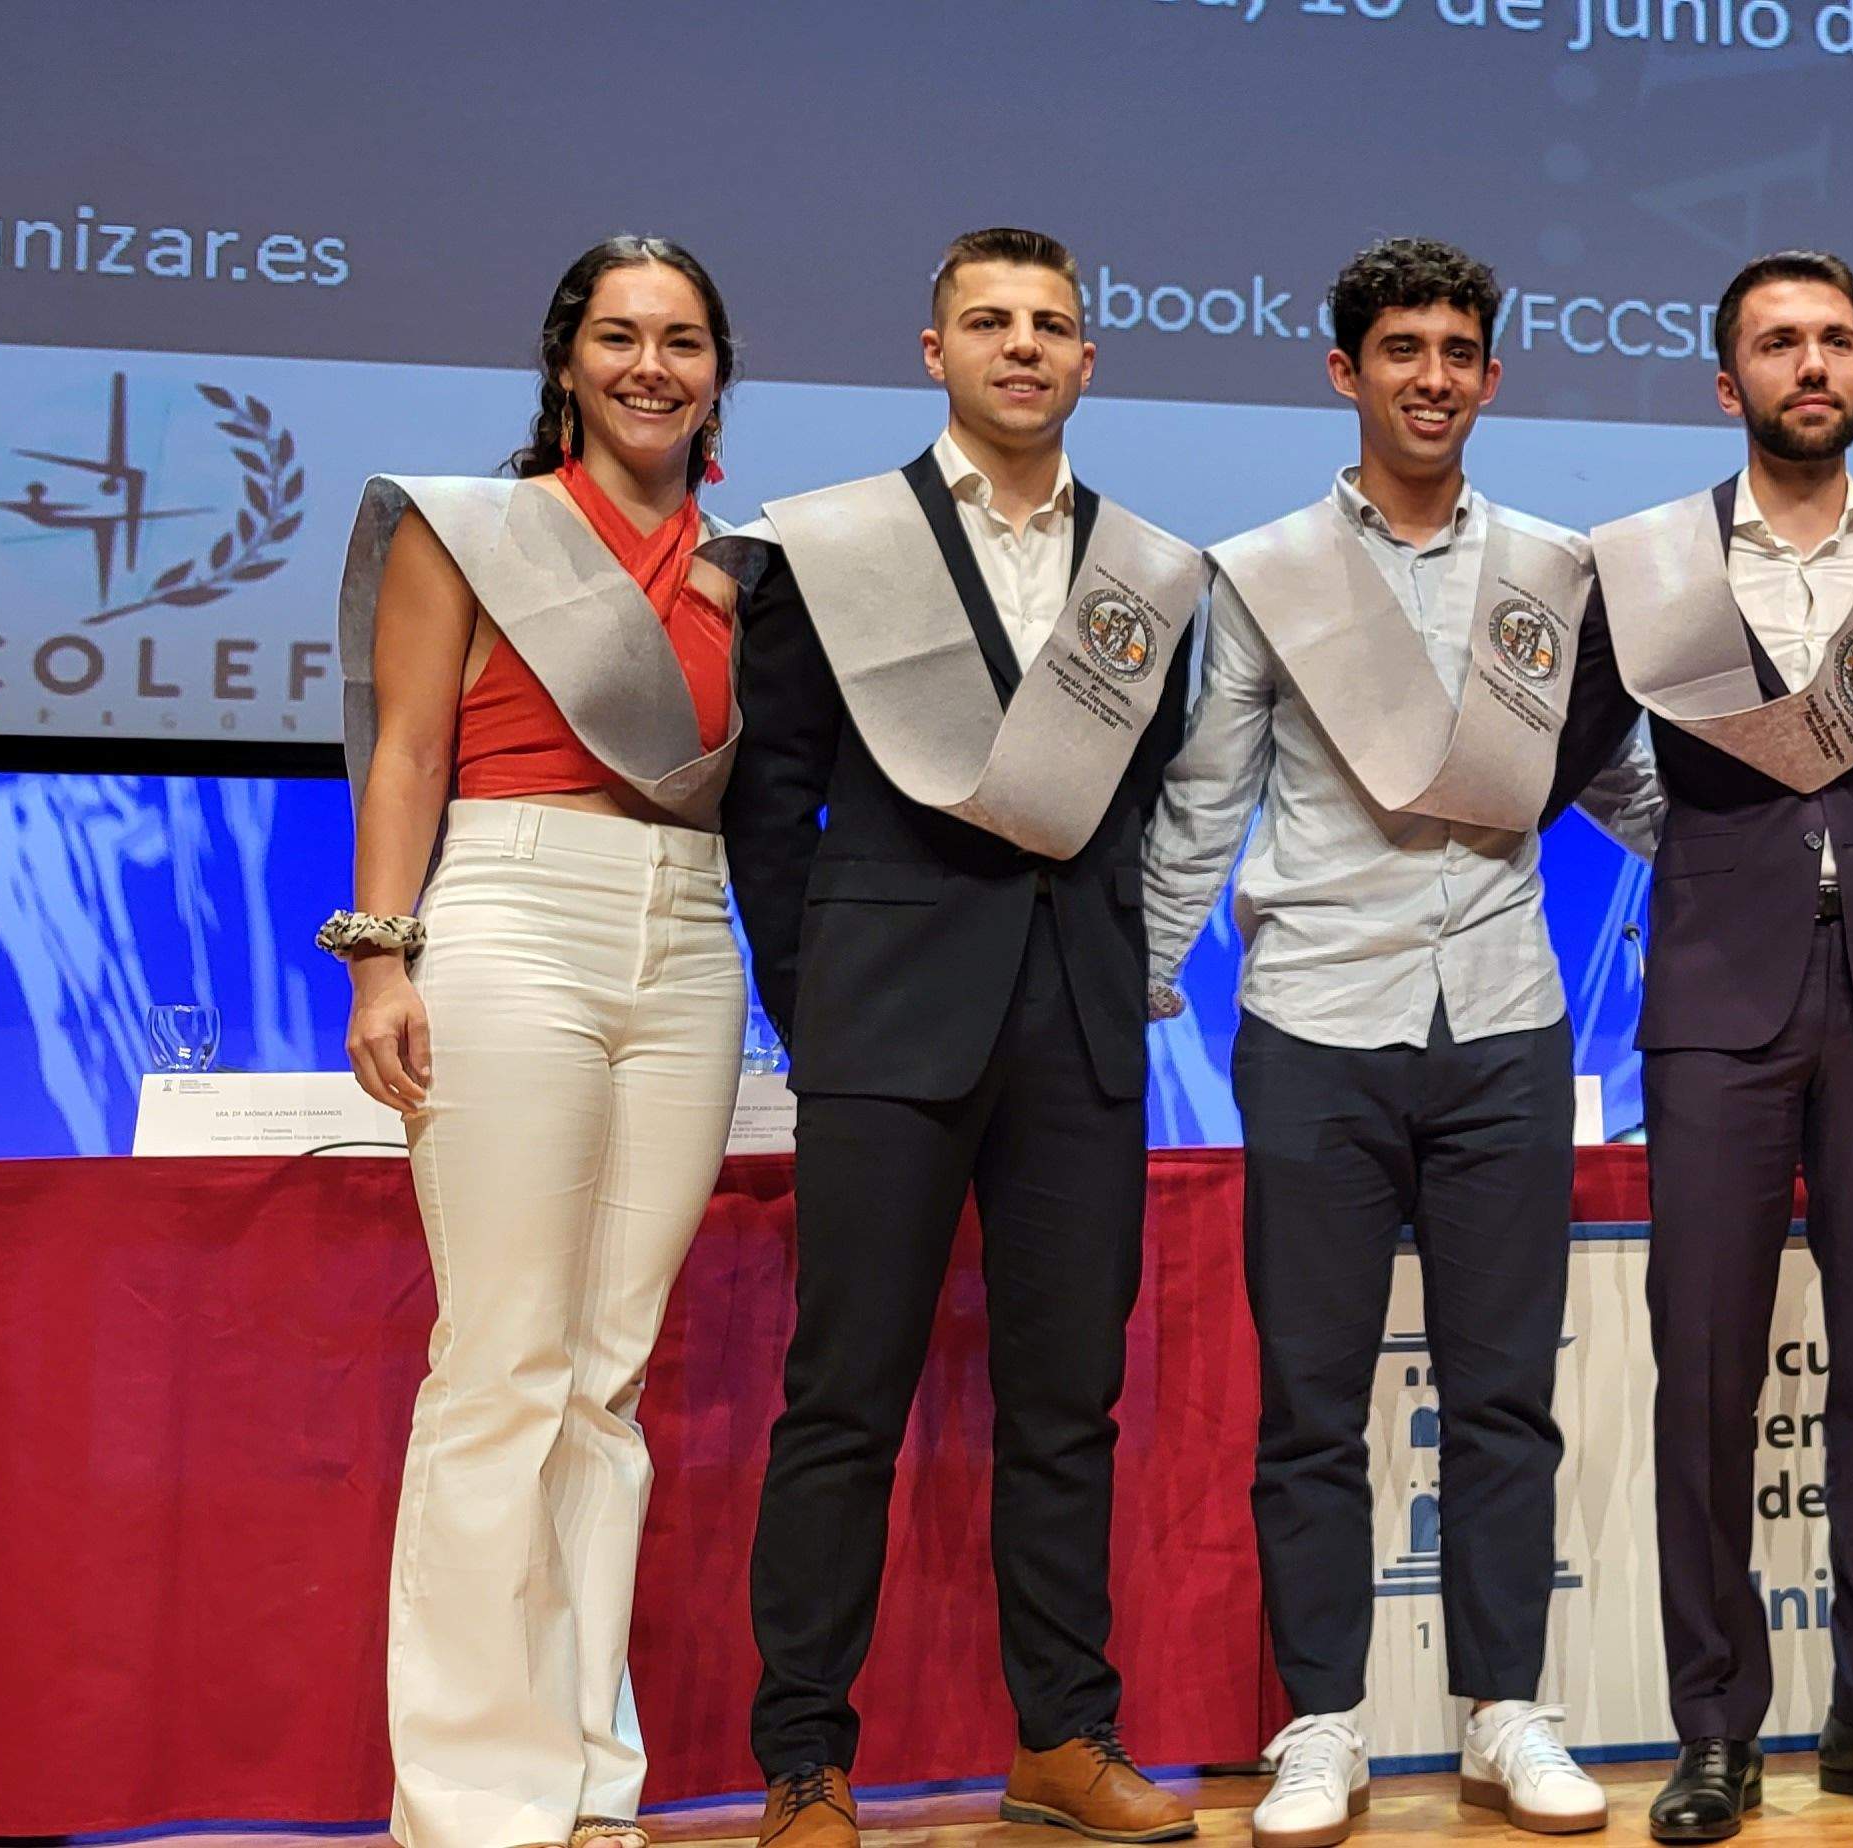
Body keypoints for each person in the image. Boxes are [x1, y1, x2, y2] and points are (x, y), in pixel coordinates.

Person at [1140, 236, 1661, 1848]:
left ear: (1491, 378)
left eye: (1456, 353)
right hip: (1317, 1020)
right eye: (1399, 351)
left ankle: (1506, 1711)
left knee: (1507, 1394)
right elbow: (1207, 798)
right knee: (1312, 1403)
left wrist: (1785, 864)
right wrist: (1135, 981)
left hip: (1504, 1019)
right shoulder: (1266, 571)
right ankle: (1323, 1723)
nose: (1430, 379)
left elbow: (1613, 778)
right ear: (1344, 371)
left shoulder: (1557, 567)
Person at [717, 227, 1216, 1848]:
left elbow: (1141, 799)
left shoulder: (1149, 569)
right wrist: (814, 997)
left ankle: (1062, 1739)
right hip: (886, 1025)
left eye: (1051, 324)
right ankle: (805, 1759)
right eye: (989, 321)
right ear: (933, 352)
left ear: (1088, 360)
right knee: (843, 1399)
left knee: (1068, 1406)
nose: (1023, 346)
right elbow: (769, 800)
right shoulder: (836, 549)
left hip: (1079, 1032)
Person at [1541, 250, 1853, 1842]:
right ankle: (1716, 1730)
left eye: (1837, 340)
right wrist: (1704, 849)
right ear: (1724, 379)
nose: (1814, 365)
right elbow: (1574, 754)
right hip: (1714, 1004)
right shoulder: (1652, 566)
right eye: (1781, 343)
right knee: (1707, 1376)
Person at [335, 235, 747, 1848]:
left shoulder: (745, 567)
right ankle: (469, 1796)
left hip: (689, 937)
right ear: (567, 360)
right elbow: (409, 751)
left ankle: (584, 1773)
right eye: (621, 336)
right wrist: (384, 960)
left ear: (718, 374)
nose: (652, 366)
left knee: (607, 1380)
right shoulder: (475, 530)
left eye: (683, 340)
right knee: (503, 1363)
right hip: (513, 914)